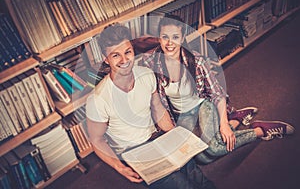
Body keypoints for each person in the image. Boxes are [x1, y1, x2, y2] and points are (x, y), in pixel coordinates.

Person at [139, 14, 295, 164]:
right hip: (181, 115)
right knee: (200, 157)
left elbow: (217, 94)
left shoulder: (197, 61)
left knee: (213, 149)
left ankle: (261, 130)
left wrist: (223, 124)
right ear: (158, 38)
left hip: (203, 106)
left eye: (175, 37)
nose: (170, 43)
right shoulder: (152, 62)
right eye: (165, 37)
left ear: (182, 38)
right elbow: (128, 56)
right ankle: (236, 119)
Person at [85, 23, 216, 189]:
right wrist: (120, 167)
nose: (124, 60)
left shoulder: (146, 75)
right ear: (106, 58)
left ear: (133, 50)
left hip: (157, 138)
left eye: (128, 52)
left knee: (195, 174)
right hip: (133, 152)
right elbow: (97, 140)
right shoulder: (97, 99)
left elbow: (158, 110)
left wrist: (174, 135)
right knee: (181, 184)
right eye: (115, 55)